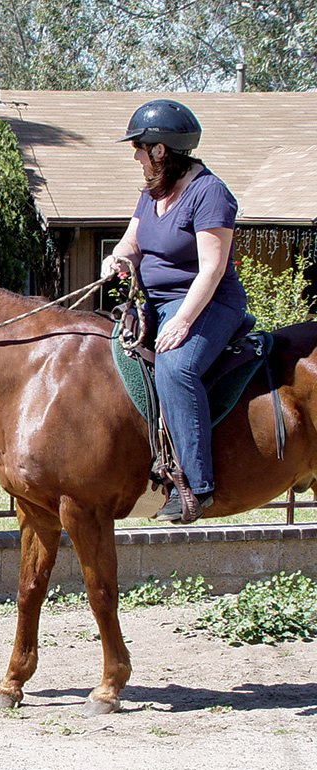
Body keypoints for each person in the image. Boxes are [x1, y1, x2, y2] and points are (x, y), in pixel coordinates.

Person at [101, 98, 248, 523]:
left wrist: (182, 322)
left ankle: (196, 488)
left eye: (139, 148)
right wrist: (118, 259)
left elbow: (213, 269)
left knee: (174, 368)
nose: (135, 156)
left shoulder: (210, 193)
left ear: (160, 150)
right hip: (157, 303)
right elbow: (132, 240)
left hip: (210, 303)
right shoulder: (152, 192)